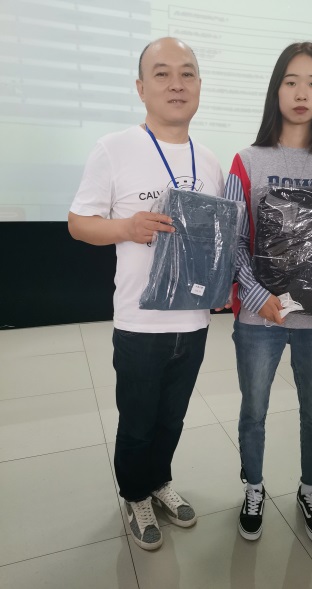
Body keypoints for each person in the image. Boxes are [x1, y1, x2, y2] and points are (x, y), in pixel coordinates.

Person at [68, 37, 224, 551]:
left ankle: (158, 481)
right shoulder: (114, 148)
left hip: (194, 321)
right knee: (137, 421)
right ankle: (135, 494)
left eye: (187, 73)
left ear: (199, 84)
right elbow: (78, 223)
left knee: (172, 417)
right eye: (162, 74)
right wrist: (127, 228)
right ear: (141, 87)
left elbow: (216, 238)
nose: (176, 84)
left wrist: (220, 282)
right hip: (139, 323)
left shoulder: (211, 160)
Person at [223, 42, 312, 544]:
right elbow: (233, 241)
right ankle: (254, 487)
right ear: (276, 89)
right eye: (291, 81)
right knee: (254, 411)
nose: (302, 93)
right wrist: (257, 296)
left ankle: (310, 488)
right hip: (259, 317)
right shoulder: (247, 160)